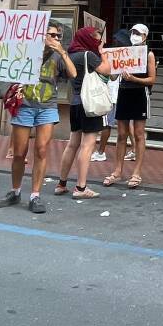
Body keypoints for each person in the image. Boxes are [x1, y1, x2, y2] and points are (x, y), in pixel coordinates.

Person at [0, 21, 76, 213]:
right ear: (41, 35)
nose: (55, 38)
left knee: (42, 150)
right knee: (20, 153)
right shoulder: (25, 52)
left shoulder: (58, 55)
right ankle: (15, 191)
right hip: (25, 106)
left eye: (57, 36)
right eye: (51, 35)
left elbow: (73, 73)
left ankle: (35, 195)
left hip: (47, 107)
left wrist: (62, 51)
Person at [54, 26, 112, 199]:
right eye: (95, 38)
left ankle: (61, 183)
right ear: (87, 39)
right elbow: (107, 70)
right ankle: (81, 187)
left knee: (72, 144)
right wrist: (103, 53)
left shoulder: (71, 55)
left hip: (75, 103)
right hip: (90, 105)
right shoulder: (89, 55)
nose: (97, 41)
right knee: (88, 145)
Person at [104, 23, 156, 189]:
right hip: (123, 92)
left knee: (139, 134)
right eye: (133, 32)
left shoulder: (149, 54)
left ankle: (136, 172)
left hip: (140, 93)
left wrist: (135, 79)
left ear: (145, 36)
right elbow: (112, 78)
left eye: (138, 33)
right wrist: (112, 68)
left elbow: (152, 80)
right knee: (121, 134)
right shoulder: (123, 52)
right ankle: (117, 171)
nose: (135, 35)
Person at [93, 29, 133, 163]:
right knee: (127, 125)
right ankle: (134, 150)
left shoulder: (119, 56)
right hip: (119, 94)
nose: (114, 42)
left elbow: (113, 77)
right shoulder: (128, 55)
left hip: (113, 95)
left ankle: (101, 152)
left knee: (106, 125)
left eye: (117, 40)